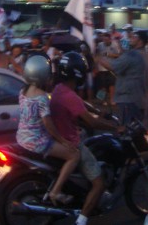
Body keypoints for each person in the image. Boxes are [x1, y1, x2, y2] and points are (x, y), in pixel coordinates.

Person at [49, 52, 124, 225]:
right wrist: (115, 127)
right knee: (99, 183)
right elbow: (90, 121)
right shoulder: (69, 94)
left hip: (60, 138)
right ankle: (82, 220)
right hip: (71, 142)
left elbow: (81, 103)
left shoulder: (60, 89)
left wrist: (98, 111)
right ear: (79, 73)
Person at [16, 55, 80, 206]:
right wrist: (64, 141)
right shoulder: (42, 98)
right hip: (37, 142)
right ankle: (56, 191)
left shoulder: (23, 92)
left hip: (22, 138)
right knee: (74, 155)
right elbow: (48, 125)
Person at [97, 31, 148, 125]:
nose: (131, 37)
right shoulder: (146, 55)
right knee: (137, 130)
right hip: (141, 99)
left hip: (129, 100)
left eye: (134, 36)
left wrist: (97, 58)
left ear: (141, 41)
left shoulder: (132, 55)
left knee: (126, 131)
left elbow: (113, 66)